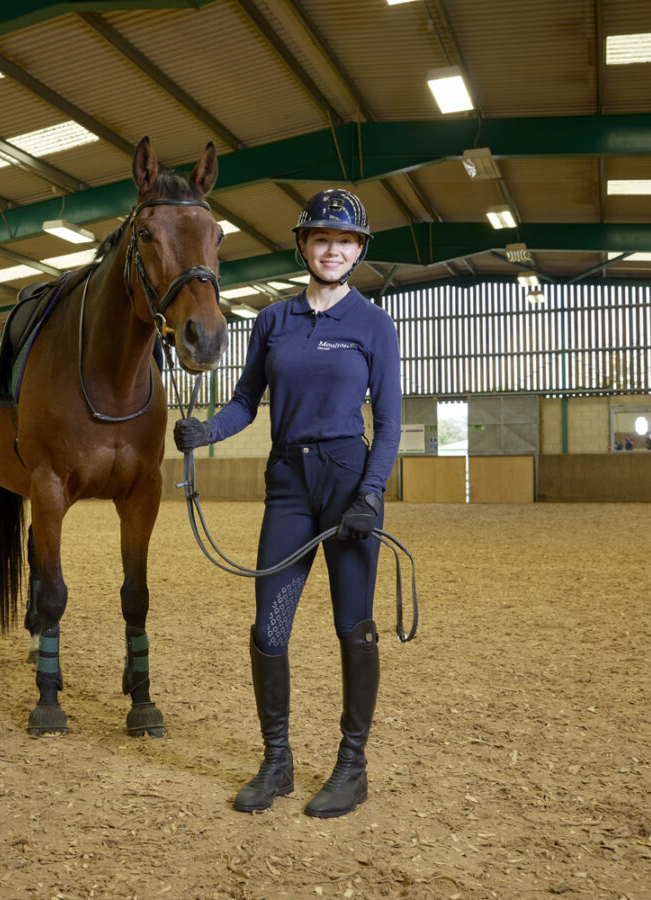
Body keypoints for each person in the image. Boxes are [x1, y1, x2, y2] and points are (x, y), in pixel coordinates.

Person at [174, 188, 401, 818]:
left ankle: (352, 765)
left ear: (358, 251)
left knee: (352, 625)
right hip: (290, 486)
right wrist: (207, 432)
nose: (334, 249)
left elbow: (387, 424)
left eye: (347, 240)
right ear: (302, 244)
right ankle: (278, 762)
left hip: (348, 482)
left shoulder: (373, 326)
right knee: (269, 630)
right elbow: (247, 402)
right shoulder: (273, 320)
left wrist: (370, 494)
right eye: (323, 238)